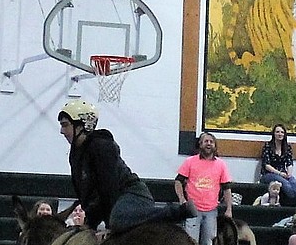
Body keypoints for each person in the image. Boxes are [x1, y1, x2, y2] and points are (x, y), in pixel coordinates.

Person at [58, 100, 196, 234]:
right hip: (114, 200)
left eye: (65, 125)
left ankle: (178, 211)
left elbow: (108, 188)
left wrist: (109, 225)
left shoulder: (101, 146)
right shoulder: (76, 153)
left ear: (82, 126)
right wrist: (90, 224)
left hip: (132, 194)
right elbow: (88, 195)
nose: (61, 131)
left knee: (118, 220)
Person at [175, 132, 233, 245]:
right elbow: (178, 181)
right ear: (200, 145)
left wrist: (229, 209)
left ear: (214, 145)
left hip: (211, 211)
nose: (208, 144)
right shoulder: (190, 161)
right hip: (193, 210)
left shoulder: (221, 165)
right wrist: (182, 199)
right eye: (205, 141)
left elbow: (226, 188)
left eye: (211, 142)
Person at [257, 124, 296, 201]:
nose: (280, 134)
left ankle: (294, 200)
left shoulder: (287, 147)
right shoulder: (267, 146)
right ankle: (294, 199)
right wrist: (279, 173)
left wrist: (289, 174)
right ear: (273, 134)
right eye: (277, 132)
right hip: (268, 174)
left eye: (282, 132)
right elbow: (266, 165)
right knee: (286, 184)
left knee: (295, 183)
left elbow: (289, 162)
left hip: (283, 174)